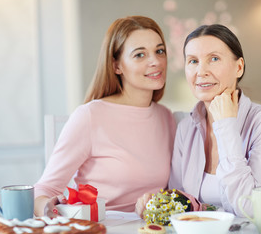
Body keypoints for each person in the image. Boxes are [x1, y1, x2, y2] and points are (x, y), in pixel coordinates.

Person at [136, 24, 261, 219]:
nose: (201, 71)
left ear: (239, 67)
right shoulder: (186, 128)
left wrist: (226, 126)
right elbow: (181, 203)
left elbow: (251, 209)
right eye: (193, 61)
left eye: (214, 59)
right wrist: (155, 204)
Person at [34, 16, 176, 217]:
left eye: (159, 51)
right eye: (140, 55)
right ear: (116, 65)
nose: (155, 61)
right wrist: (47, 209)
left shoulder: (166, 117)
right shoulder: (89, 117)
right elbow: (44, 189)